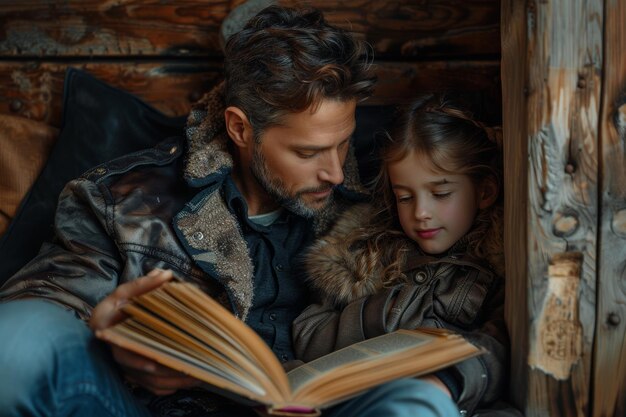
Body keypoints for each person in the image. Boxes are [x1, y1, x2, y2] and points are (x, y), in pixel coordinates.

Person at [0, 6, 459, 417]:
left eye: (344, 144)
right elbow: (39, 312)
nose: (337, 173)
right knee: (22, 336)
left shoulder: (386, 207)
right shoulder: (119, 201)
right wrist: (109, 340)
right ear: (240, 128)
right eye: (307, 152)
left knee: (420, 403)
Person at [293, 94, 520, 416]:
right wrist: (385, 312)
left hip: (443, 398)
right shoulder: (367, 255)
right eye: (404, 198)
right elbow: (308, 333)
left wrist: (446, 381)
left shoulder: (496, 267)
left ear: (484, 192)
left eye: (440, 194)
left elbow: (501, 347)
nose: (421, 213)